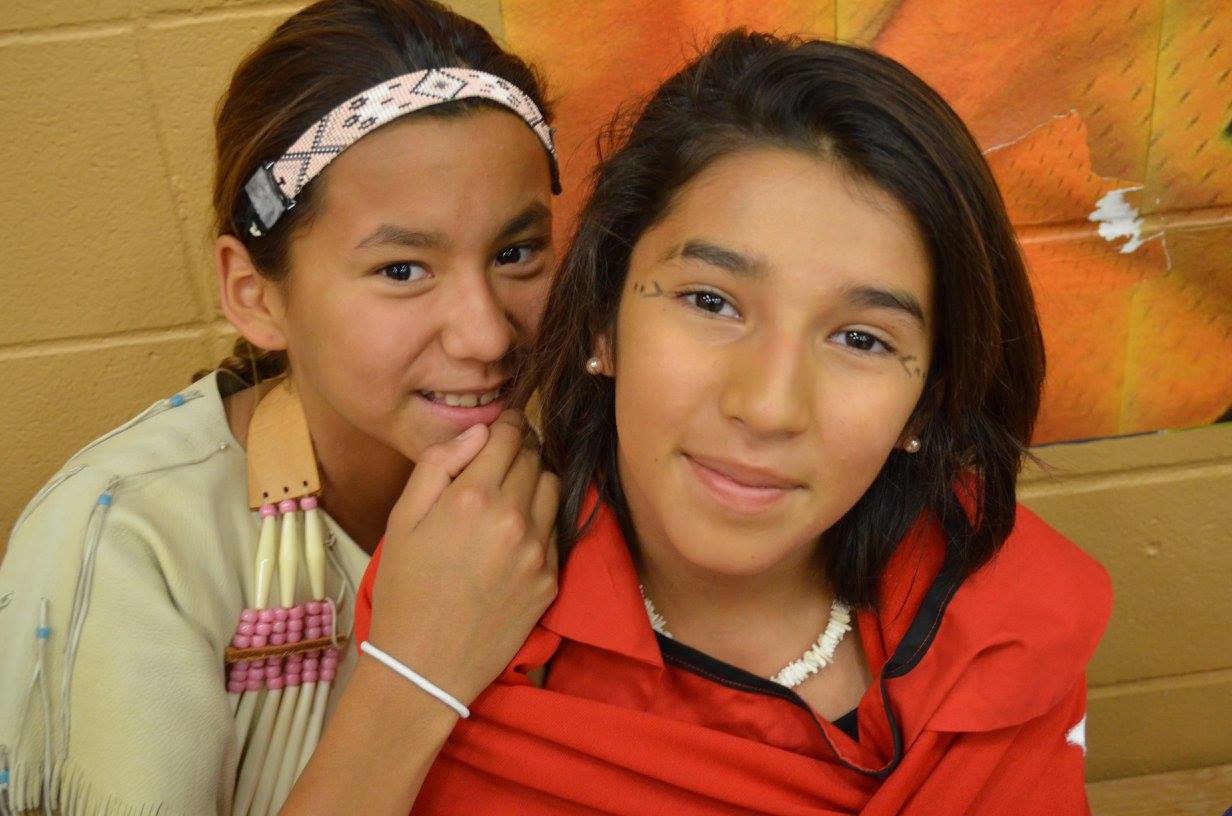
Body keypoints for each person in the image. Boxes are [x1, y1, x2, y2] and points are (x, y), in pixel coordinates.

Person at [353, 30, 1113, 814]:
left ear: (924, 403)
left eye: (861, 339)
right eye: (710, 301)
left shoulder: (1001, 629)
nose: (768, 406)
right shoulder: (457, 601)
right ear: (602, 322)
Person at [0, 1, 561, 814]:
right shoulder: (126, 539)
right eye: (403, 269)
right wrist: (417, 670)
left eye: (516, 254)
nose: (484, 335)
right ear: (253, 294)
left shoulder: (581, 476)